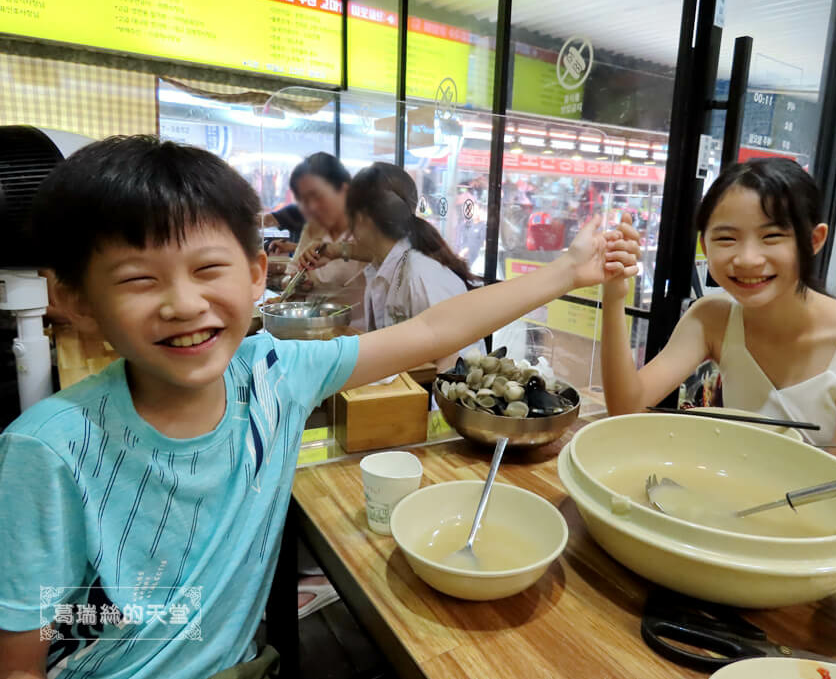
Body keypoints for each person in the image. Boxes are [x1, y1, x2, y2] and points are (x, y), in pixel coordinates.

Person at [0, 136, 639, 679]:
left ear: (255, 277)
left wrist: (565, 272)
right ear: (77, 300)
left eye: (207, 269)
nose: (183, 303)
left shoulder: (276, 374)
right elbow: (21, 659)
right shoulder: (49, 448)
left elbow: (433, 333)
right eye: (139, 279)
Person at [600, 158, 836, 469]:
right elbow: (627, 408)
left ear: (813, 241)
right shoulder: (712, 318)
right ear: (704, 245)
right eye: (727, 238)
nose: (747, 259)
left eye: (772, 236)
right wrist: (613, 297)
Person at [301, 163, 485, 371]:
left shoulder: (419, 275)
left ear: (363, 219)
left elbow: (449, 364)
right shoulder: (387, 262)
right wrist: (334, 251)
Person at [279, 153, 366, 327]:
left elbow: (385, 254)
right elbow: (287, 279)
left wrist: (338, 250)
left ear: (344, 190)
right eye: (303, 200)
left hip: (358, 333)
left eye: (317, 196)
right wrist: (297, 283)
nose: (310, 207)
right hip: (313, 329)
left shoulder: (366, 228)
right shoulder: (312, 229)